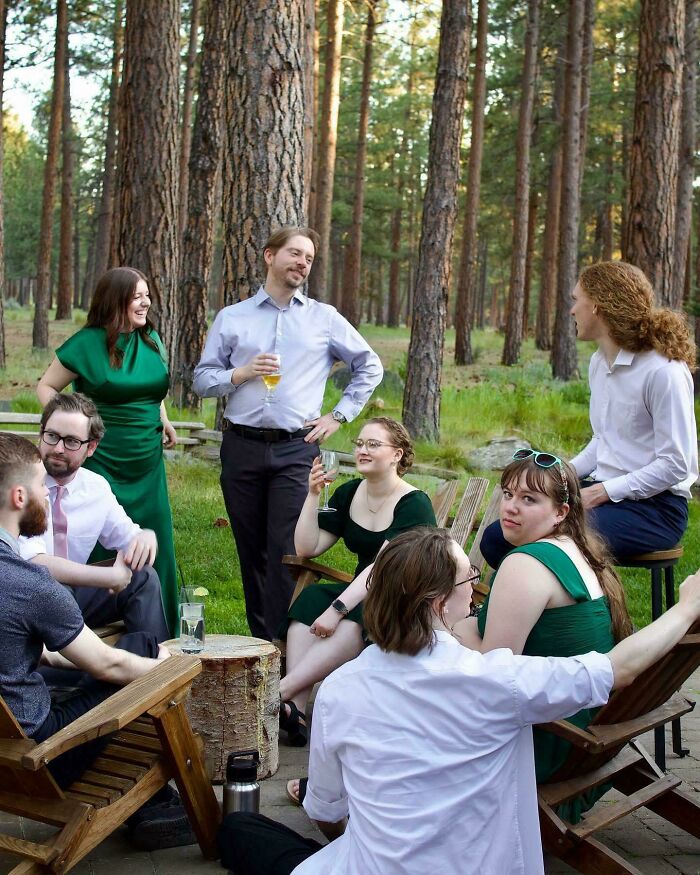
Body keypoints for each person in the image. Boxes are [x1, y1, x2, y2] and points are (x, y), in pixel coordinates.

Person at [218, 527, 700, 875]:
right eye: (469, 581)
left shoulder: (340, 690)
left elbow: (325, 810)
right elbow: (622, 668)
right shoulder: (499, 682)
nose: (475, 593)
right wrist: (687, 607)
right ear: (437, 603)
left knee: (242, 832)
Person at [0, 434, 194, 851]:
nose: (45, 497)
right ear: (19, 496)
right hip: (36, 760)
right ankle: (156, 801)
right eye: (39, 488)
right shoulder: (28, 583)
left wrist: (72, 662)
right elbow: (111, 667)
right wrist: (174, 668)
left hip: (8, 741)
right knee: (140, 648)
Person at [192, 226, 383, 641]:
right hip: (240, 446)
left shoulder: (324, 318)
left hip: (297, 449)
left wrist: (338, 415)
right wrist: (240, 374)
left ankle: (284, 644)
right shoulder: (233, 317)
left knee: (286, 550)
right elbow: (202, 381)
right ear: (269, 256)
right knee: (250, 550)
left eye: (309, 258)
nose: (302, 263)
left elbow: (371, 366)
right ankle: (260, 644)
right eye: (295, 254)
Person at [480, 260, 698, 569]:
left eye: (576, 300)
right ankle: (547, 610)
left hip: (656, 509)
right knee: (497, 539)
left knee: (550, 541)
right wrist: (560, 473)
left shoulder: (664, 372)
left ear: (597, 305)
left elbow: (676, 465)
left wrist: (601, 491)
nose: (572, 310)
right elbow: (604, 441)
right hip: (604, 494)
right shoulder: (599, 363)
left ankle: (586, 615)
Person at [454, 450, 631, 821]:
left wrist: (447, 627)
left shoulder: (524, 564)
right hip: (585, 736)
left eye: (529, 499)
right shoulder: (579, 552)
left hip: (546, 745)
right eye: (507, 494)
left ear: (561, 512)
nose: (510, 507)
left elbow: (494, 672)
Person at [36, 267, 179, 634]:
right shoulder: (85, 344)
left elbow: (152, 389)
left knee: (153, 539)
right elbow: (47, 387)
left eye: (147, 294)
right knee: (102, 536)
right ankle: (89, 629)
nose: (146, 302)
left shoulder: (152, 341)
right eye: (137, 296)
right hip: (101, 456)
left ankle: (161, 640)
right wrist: (71, 429)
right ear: (115, 300)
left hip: (147, 461)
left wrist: (163, 417)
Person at [279, 416, 435, 747]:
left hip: (400, 594)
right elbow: (308, 547)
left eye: (373, 444)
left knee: (358, 614)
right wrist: (312, 495)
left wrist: (337, 609)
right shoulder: (349, 493)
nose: (362, 450)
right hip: (360, 588)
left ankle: (282, 691)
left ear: (397, 454)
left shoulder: (413, 503)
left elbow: (382, 569)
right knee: (310, 601)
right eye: (360, 444)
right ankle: (297, 707)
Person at [19, 392, 169, 642]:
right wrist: (109, 576)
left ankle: (158, 670)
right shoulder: (19, 481)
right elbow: (32, 561)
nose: (57, 448)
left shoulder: (96, 487)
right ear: (41, 432)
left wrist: (144, 538)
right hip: (24, 600)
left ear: (91, 447)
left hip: (71, 598)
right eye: (52, 436)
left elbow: (128, 537)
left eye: (71, 442)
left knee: (143, 577)